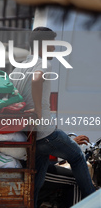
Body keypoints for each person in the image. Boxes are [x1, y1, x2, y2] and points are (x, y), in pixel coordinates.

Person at [10, 27, 95, 207]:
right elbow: (36, 79)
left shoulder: (19, 67)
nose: (54, 51)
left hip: (32, 136)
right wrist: (39, 111)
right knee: (78, 157)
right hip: (46, 133)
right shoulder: (42, 63)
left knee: (36, 183)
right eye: (52, 46)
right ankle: (94, 200)